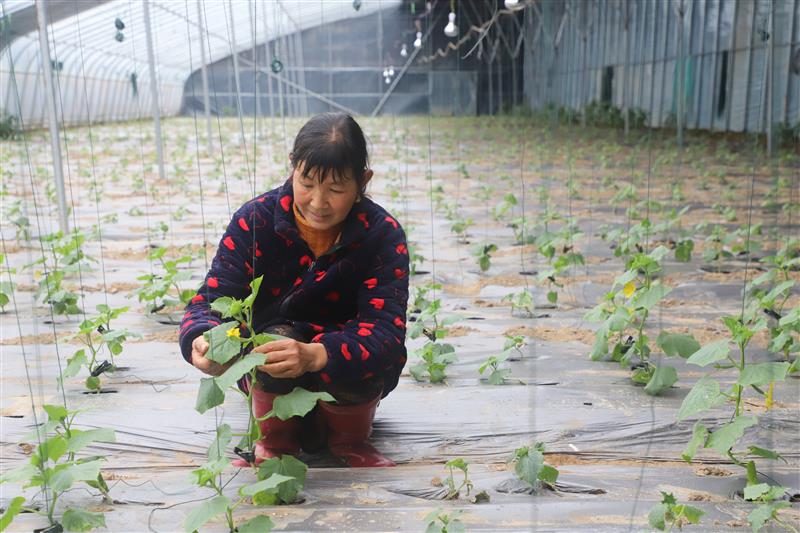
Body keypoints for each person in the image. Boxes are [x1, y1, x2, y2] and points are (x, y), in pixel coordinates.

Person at [178, 112, 409, 468]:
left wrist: (318, 354)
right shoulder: (255, 220)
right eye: (307, 183)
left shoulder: (381, 234)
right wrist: (203, 338)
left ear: (363, 181)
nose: (318, 202)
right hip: (273, 368)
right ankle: (274, 442)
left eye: (336, 189)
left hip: (344, 369)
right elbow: (212, 299)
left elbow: (386, 331)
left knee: (360, 354)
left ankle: (350, 440)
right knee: (273, 343)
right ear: (293, 166)